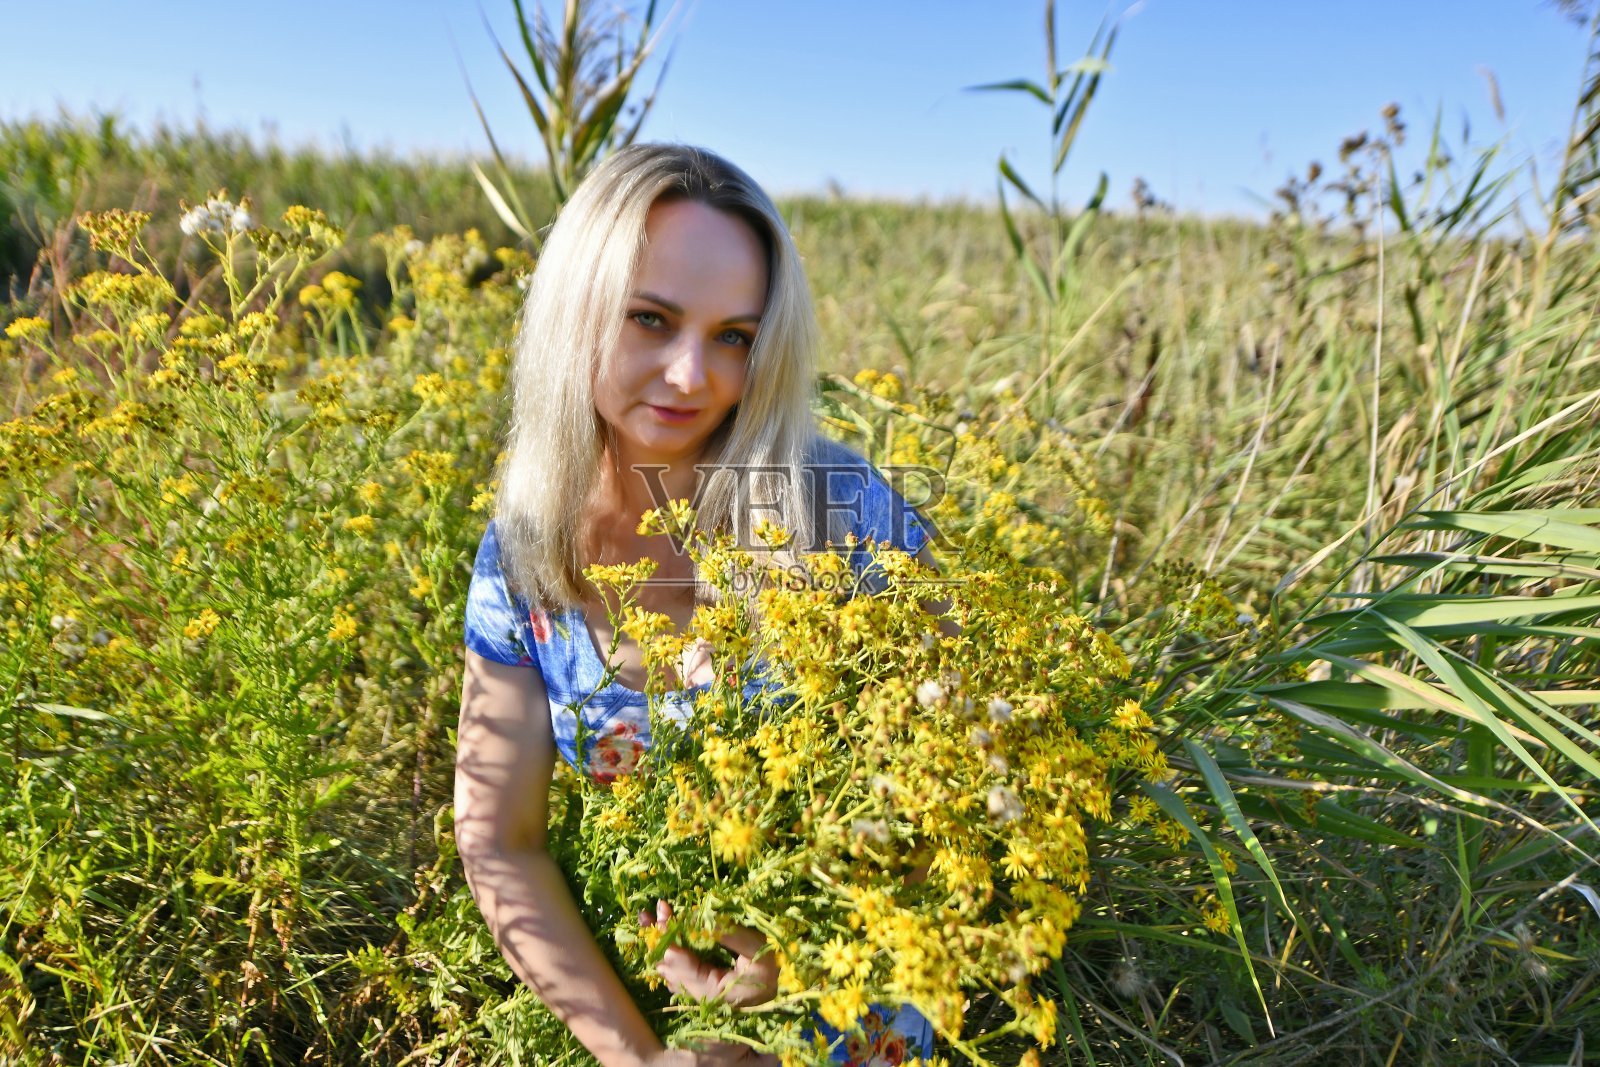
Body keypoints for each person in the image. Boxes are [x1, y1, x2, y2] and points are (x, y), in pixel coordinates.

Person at [454, 144, 936, 1067]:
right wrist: (647, 1059)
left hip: (864, 990)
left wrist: (807, 959)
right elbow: (499, 844)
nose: (690, 375)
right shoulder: (520, 560)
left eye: (734, 336)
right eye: (650, 319)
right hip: (638, 1011)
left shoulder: (843, 512)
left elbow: (967, 777)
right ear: (574, 314)